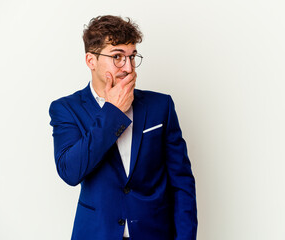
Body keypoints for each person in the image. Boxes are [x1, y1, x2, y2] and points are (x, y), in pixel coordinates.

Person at [49, 15, 197, 240]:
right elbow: (71, 172)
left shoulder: (161, 106)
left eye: (132, 57)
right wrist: (113, 113)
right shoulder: (66, 109)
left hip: (154, 233)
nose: (128, 68)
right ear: (91, 61)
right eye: (117, 56)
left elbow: (182, 183)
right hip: (97, 233)